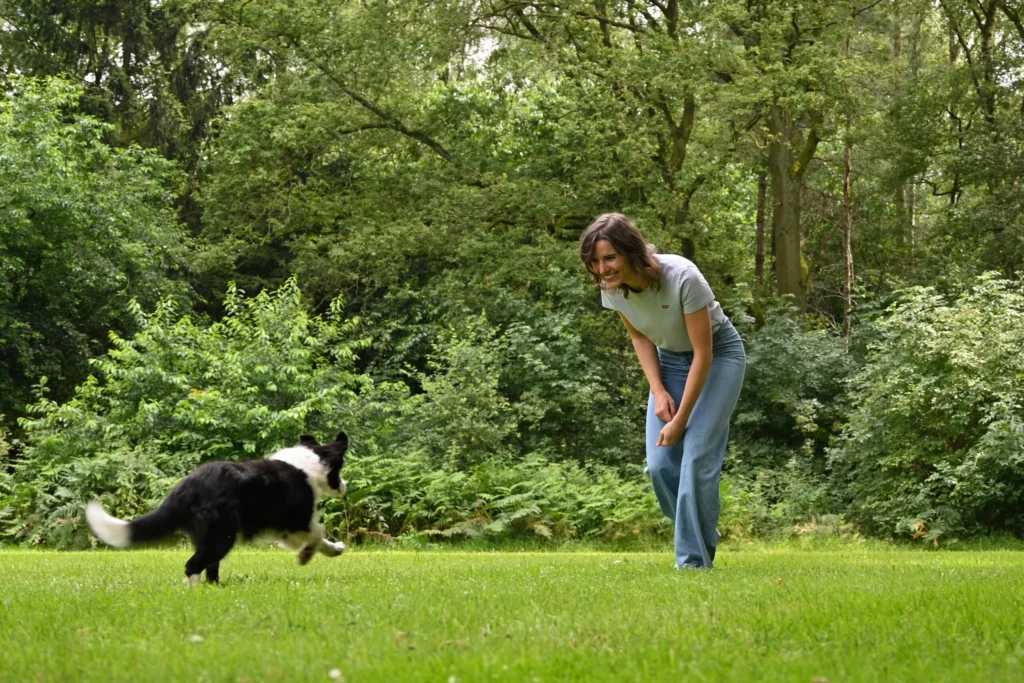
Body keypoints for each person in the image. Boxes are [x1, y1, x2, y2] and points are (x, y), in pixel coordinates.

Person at [580, 213, 746, 569]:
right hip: (668, 361)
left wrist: (681, 420)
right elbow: (639, 336)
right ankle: (699, 527)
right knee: (659, 467)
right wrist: (658, 390)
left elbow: (703, 353)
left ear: (630, 251)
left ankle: (692, 563)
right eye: (594, 261)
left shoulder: (683, 276)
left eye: (610, 258)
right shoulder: (611, 288)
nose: (602, 269)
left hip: (719, 358)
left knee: (696, 458)